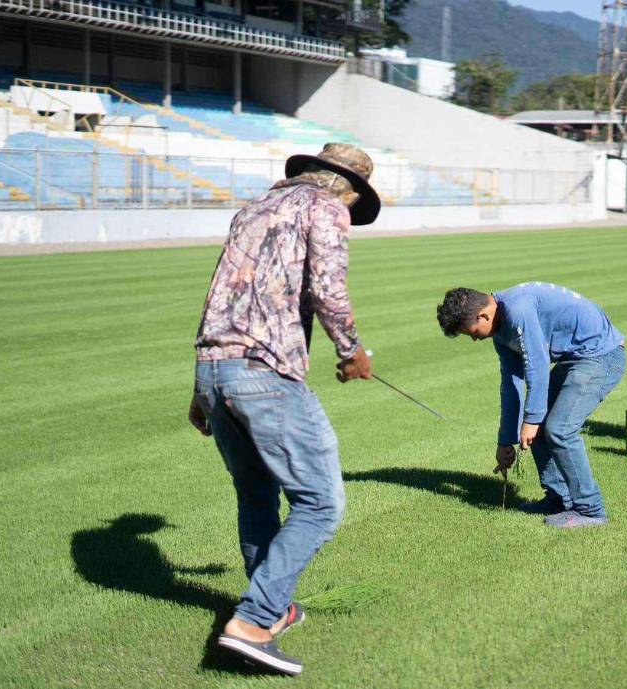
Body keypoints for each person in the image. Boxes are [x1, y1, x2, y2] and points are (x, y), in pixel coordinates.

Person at [188, 143, 380, 675]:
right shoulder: (326, 207)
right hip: (265, 373)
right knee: (320, 503)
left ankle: (272, 612)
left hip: (215, 367)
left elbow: (220, 296)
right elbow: (328, 286)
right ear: (348, 188)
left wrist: (201, 386)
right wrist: (352, 352)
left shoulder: (251, 209)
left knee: (255, 497)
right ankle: (253, 620)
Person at [435, 283, 626, 528]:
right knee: (541, 424)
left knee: (559, 429)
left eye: (472, 331)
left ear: (483, 315)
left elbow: (537, 367)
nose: (474, 338)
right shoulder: (502, 331)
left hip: (601, 355)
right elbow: (511, 385)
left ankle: (591, 510)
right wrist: (505, 441)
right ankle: (559, 499)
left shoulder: (518, 310)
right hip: (576, 360)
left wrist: (531, 420)